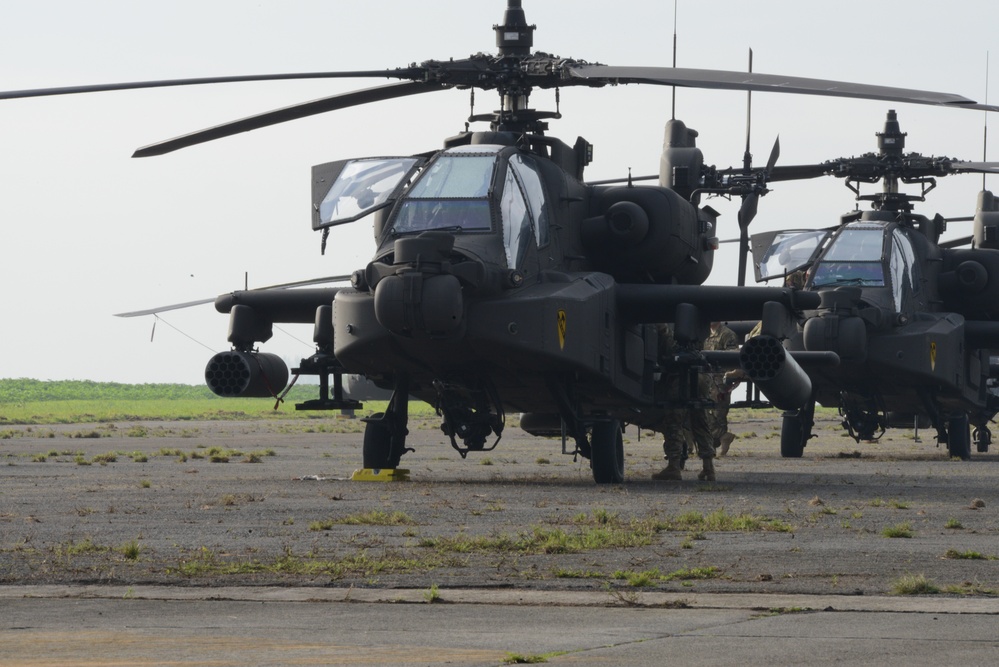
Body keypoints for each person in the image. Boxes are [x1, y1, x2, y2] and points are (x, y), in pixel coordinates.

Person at [651, 323, 717, 482]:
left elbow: (663, 349)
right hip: (700, 374)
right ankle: (708, 468)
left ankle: (674, 466)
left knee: (674, 420)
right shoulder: (692, 327)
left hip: (681, 377)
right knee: (700, 420)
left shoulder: (664, 328)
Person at [704, 322, 738, 456]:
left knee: (719, 413)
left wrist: (729, 378)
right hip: (707, 379)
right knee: (706, 413)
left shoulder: (727, 334)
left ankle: (723, 438)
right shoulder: (706, 335)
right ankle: (722, 437)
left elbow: (733, 358)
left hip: (720, 381)